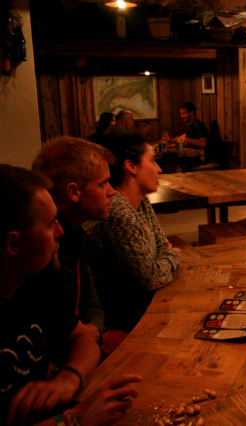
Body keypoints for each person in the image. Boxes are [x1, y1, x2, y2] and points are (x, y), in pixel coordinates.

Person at [0, 164, 141, 426]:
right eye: (50, 223)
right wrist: (76, 420)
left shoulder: (32, 285)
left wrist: (69, 378)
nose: (60, 232)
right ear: (14, 244)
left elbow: (84, 338)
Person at [85, 135, 181, 354]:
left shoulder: (140, 201)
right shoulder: (118, 211)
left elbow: (161, 244)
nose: (159, 169)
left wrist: (164, 257)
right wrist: (174, 255)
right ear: (131, 166)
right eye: (152, 161)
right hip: (124, 319)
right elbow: (149, 278)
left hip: (143, 305)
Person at [31, 137, 116, 344]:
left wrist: (93, 330)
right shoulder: (42, 248)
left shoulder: (78, 236)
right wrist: (88, 335)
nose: (112, 191)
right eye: (103, 183)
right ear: (74, 192)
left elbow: (92, 302)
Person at [167, 102, 208, 170]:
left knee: (179, 166)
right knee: (173, 162)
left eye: (184, 113)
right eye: (181, 114)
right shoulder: (190, 126)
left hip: (200, 158)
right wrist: (171, 140)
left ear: (191, 113)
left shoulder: (199, 125)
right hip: (192, 156)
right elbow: (186, 143)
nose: (182, 116)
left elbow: (203, 143)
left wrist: (185, 139)